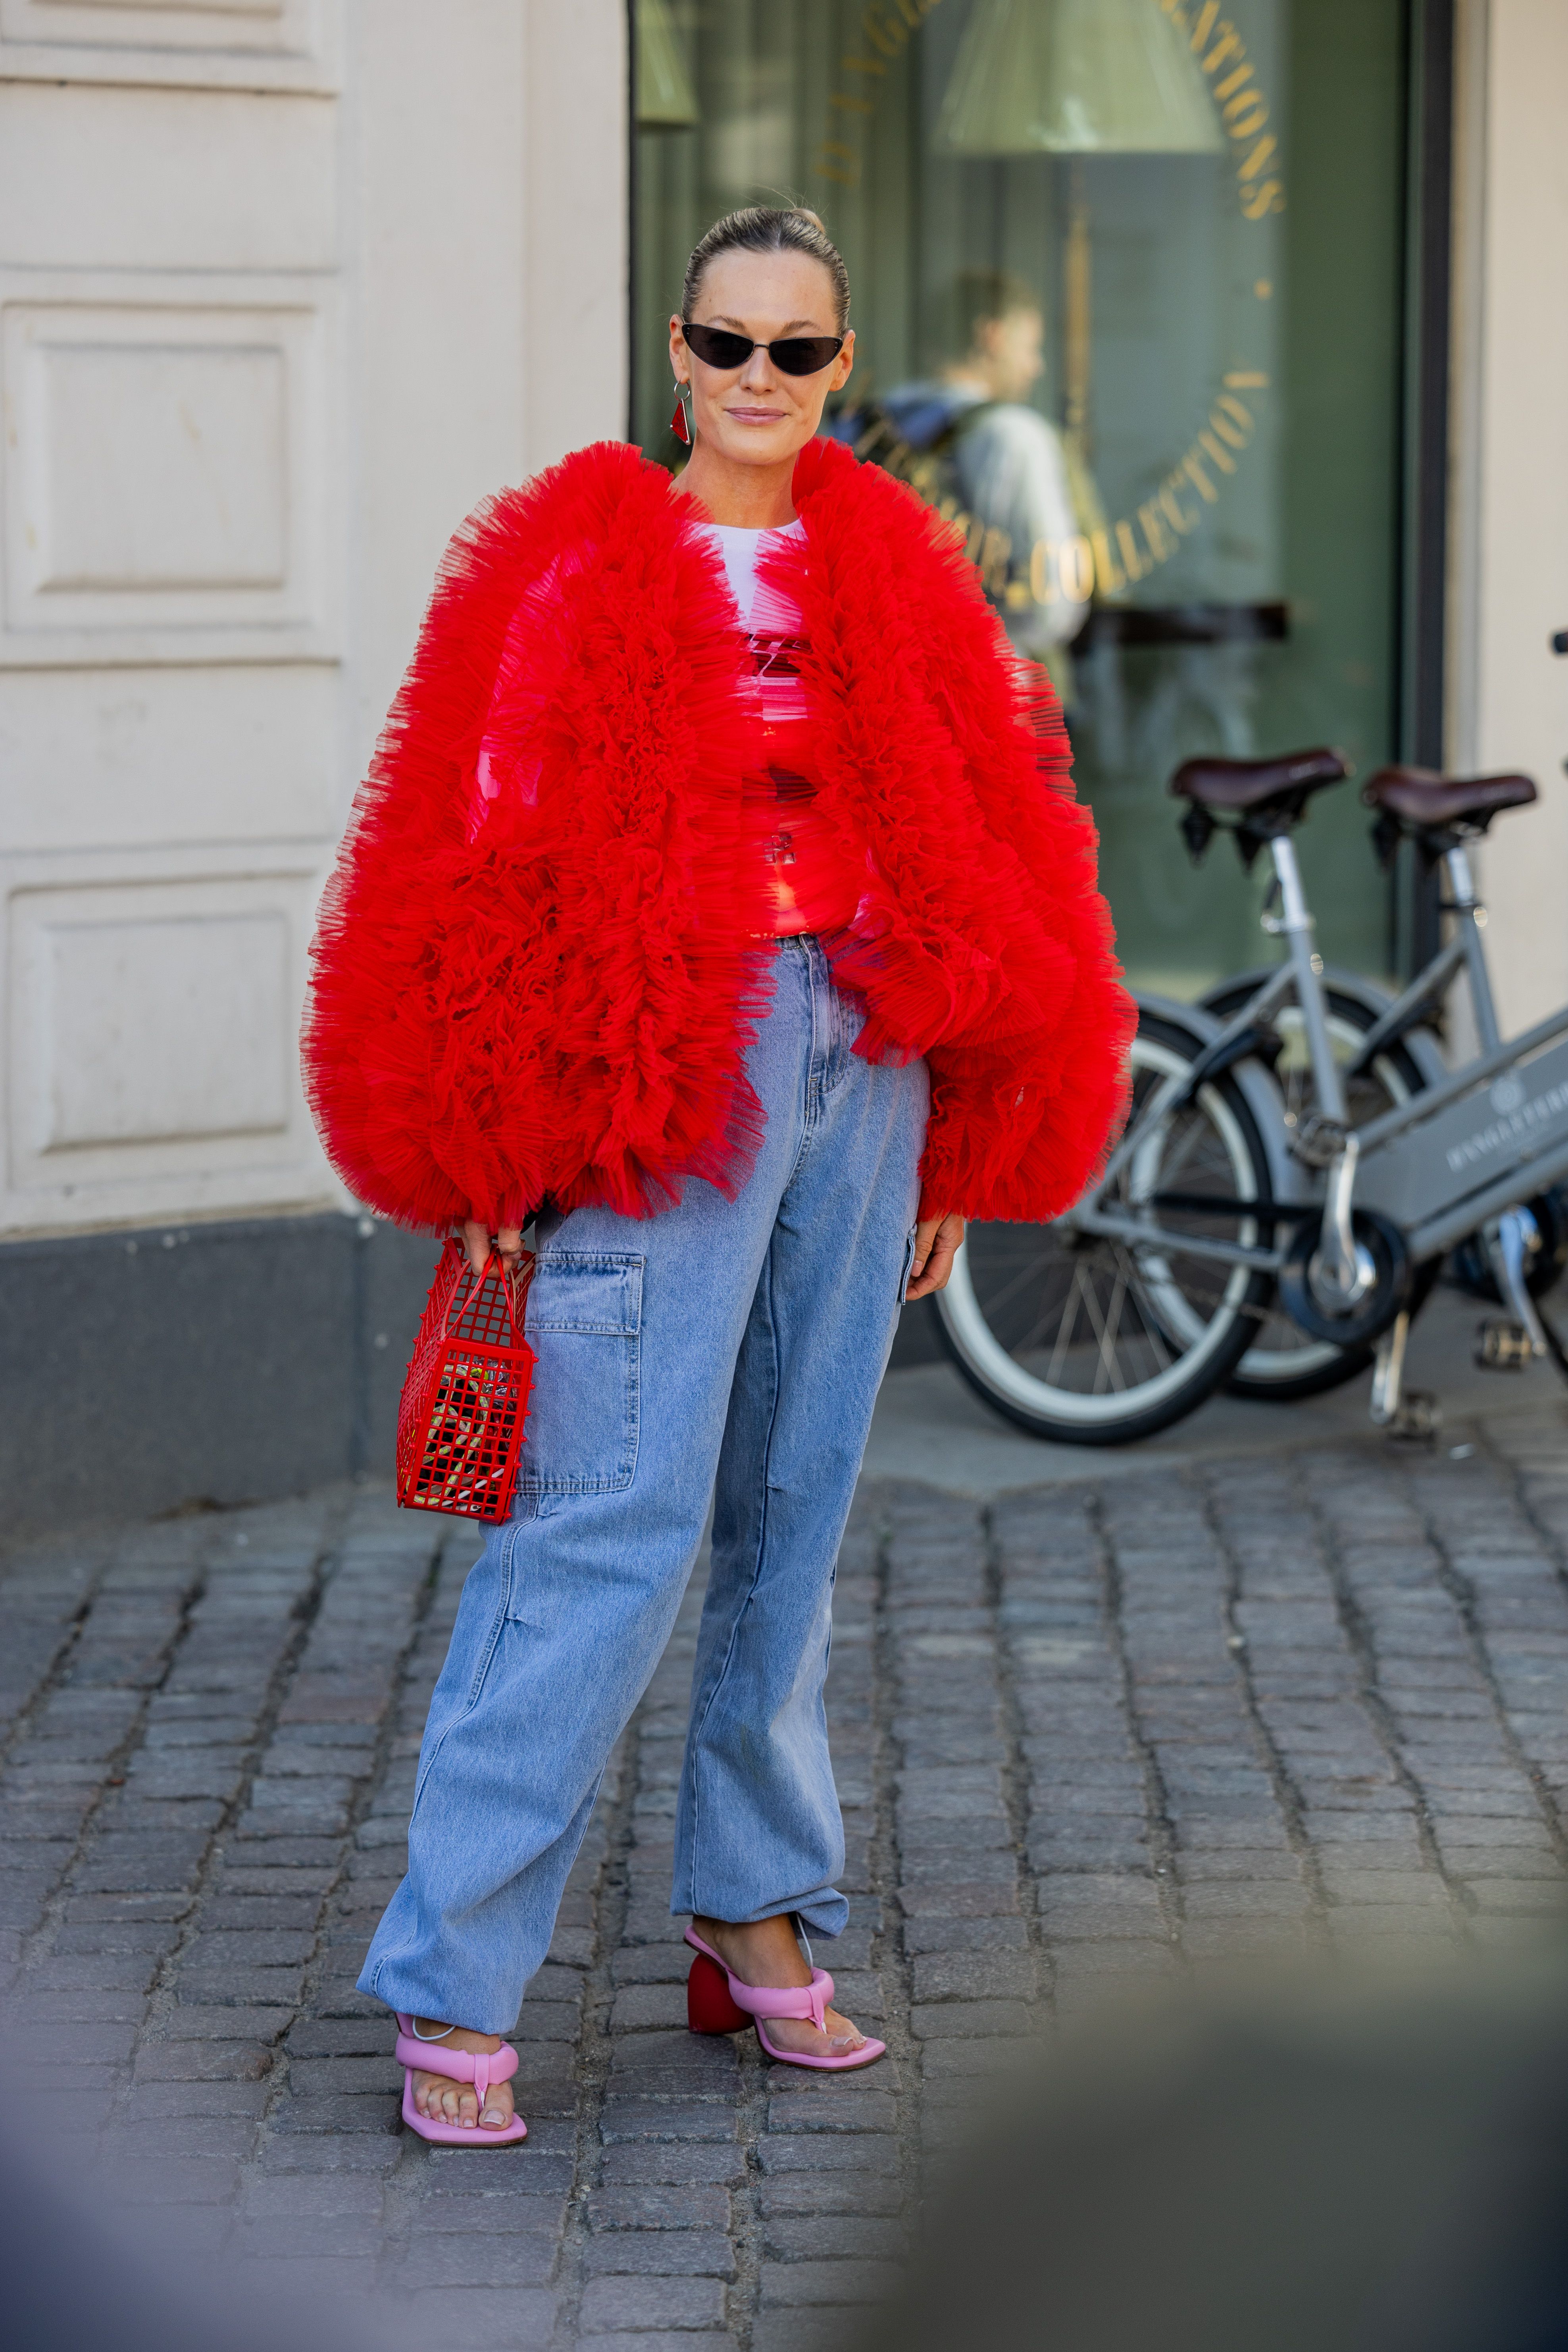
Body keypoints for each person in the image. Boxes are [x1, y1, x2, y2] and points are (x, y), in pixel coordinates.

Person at [303, 206, 1131, 2140]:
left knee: (792, 1503)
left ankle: (751, 1913)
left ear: (845, 367)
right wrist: (492, 1129)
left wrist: (962, 1122)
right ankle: (457, 1970)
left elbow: (986, 817)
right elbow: (483, 846)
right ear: (676, 354)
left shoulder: (892, 571)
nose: (760, 380)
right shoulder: (581, 560)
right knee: (605, 1518)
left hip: (867, 1050)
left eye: (799, 350)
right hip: (670, 1052)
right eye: (726, 342)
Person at [849, 268, 1094, 689]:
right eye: (1031, 347)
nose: (1037, 367)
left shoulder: (852, 427)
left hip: (869, 689)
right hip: (984, 697)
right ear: (992, 336)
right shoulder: (1014, 436)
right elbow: (1054, 601)